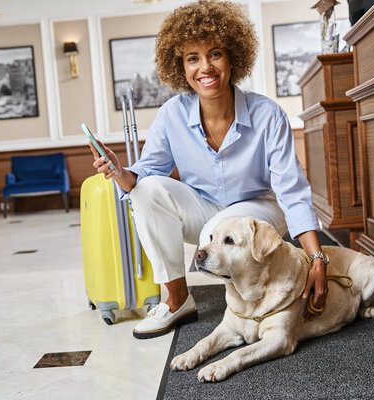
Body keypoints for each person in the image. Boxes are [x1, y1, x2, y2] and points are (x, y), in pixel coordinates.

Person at [89, 0, 329, 339]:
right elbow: (144, 174)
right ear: (181, 67)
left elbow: (292, 191)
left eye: (215, 54)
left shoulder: (268, 115)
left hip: (259, 209)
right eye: (193, 58)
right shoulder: (172, 114)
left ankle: (251, 305)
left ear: (233, 57)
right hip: (203, 210)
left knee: (219, 229)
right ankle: (176, 300)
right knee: (146, 190)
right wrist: (118, 171)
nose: (206, 67)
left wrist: (316, 257)